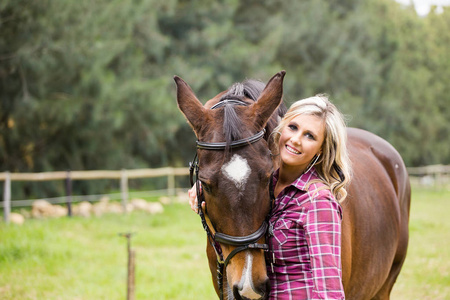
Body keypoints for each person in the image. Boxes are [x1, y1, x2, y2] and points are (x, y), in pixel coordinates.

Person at [189, 94, 351, 299]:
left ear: (321, 149)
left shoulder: (318, 202)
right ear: (281, 128)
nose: (296, 140)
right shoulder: (268, 187)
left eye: (310, 136)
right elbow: (238, 186)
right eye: (293, 127)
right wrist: (203, 186)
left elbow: (330, 291)